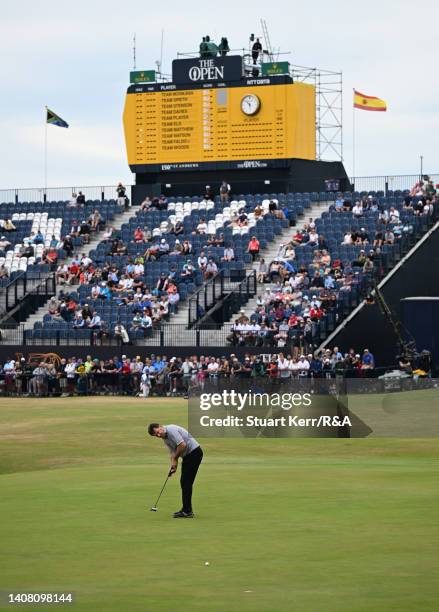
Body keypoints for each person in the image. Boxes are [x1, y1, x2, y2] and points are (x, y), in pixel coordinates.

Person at [148, 423, 203, 518]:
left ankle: (187, 511)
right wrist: (174, 465)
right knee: (185, 482)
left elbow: (182, 445)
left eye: (158, 432)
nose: (158, 435)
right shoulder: (165, 439)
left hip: (194, 453)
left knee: (186, 482)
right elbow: (173, 453)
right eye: (156, 435)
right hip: (188, 456)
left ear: (160, 427)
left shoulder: (171, 430)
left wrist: (175, 458)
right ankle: (186, 509)